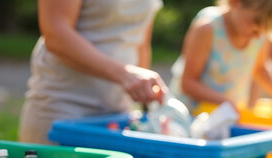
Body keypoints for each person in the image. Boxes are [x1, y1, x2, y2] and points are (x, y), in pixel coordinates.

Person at [19, 0, 167, 144]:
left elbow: (139, 39)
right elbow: (55, 32)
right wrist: (125, 75)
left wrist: (143, 91)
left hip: (118, 116)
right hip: (64, 110)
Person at [169, 0, 272, 112]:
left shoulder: (259, 34)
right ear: (235, 2)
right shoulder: (207, 28)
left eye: (267, 27)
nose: (259, 34)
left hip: (226, 117)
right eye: (256, 21)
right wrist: (225, 102)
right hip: (191, 115)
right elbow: (188, 83)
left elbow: (259, 67)